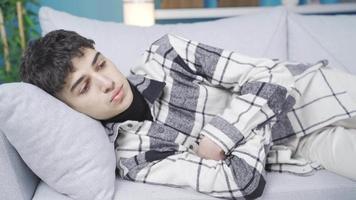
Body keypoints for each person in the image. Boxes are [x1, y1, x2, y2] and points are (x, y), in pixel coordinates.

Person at [20, 30, 356, 199]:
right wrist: (256, 107)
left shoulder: (168, 54)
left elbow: (278, 77)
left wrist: (219, 137)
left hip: (313, 93)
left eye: (101, 63)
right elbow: (242, 183)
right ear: (67, 108)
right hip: (298, 151)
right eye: (84, 87)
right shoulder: (132, 156)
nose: (107, 82)